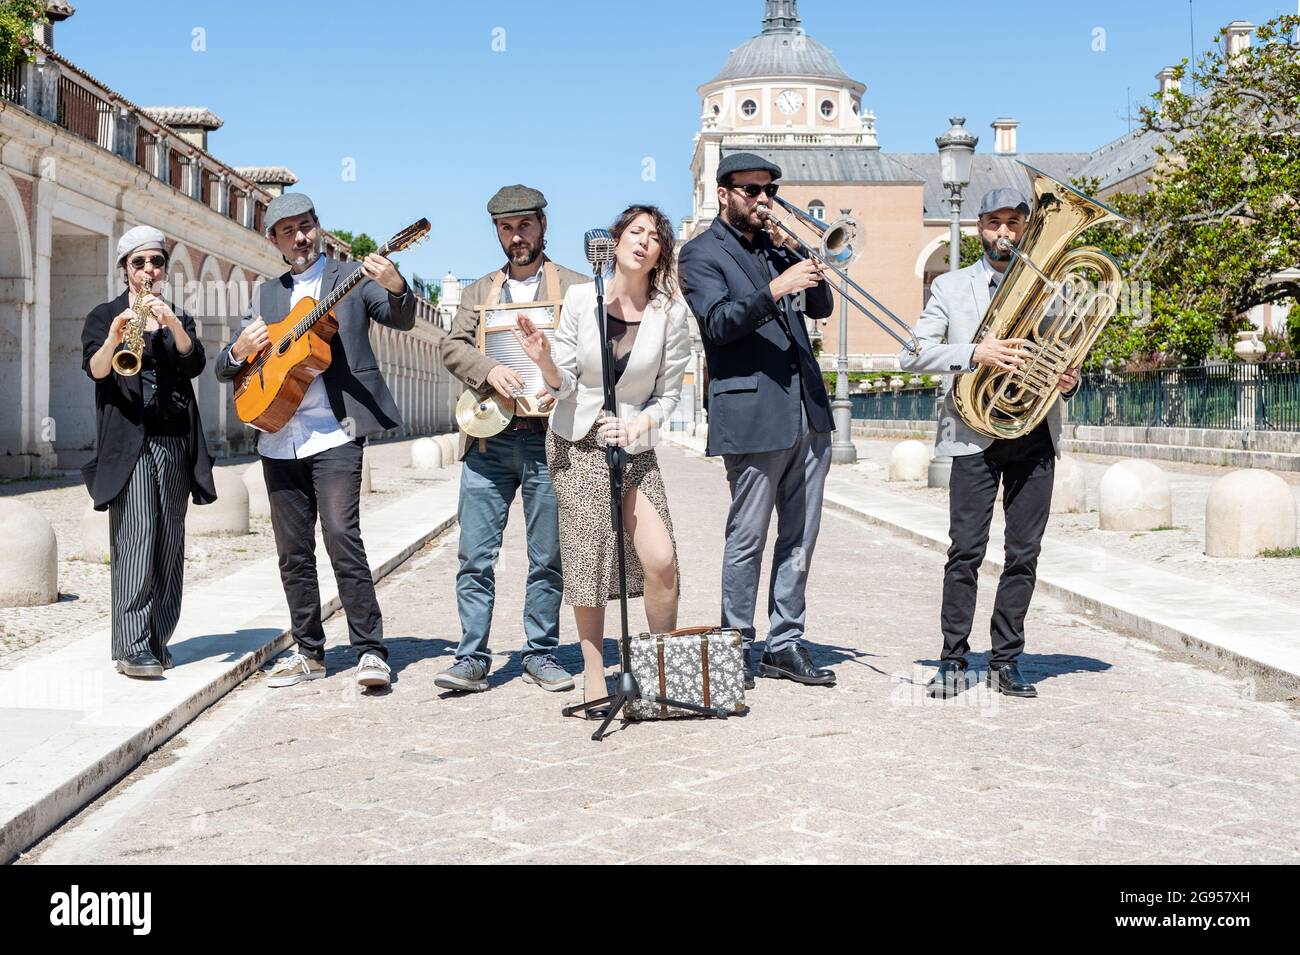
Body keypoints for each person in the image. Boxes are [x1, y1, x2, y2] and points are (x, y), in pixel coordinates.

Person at [214, 193, 415, 689]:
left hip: (337, 432)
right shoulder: (265, 296)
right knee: (292, 551)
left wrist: (395, 284)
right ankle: (309, 651)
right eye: (289, 230)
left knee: (342, 537)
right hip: (278, 436)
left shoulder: (351, 277)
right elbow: (226, 368)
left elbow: (400, 316)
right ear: (275, 240)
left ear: (318, 228)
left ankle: (370, 650)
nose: (300, 236)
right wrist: (238, 352)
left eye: (307, 225)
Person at [898, 186, 1080, 699]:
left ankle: (1006, 661)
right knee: (966, 553)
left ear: (1026, 228)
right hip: (973, 433)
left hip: (1034, 432)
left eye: (1014, 223)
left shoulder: (1052, 288)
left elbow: (1066, 353)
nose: (1005, 232)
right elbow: (913, 353)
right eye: (995, 222)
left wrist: (1070, 378)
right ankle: (953, 659)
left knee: (1024, 554)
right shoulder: (951, 288)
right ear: (980, 227)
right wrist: (978, 351)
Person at [516, 204, 691, 710]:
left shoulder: (670, 312)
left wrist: (637, 425)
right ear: (615, 241)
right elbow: (565, 383)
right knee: (589, 557)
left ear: (661, 253)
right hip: (577, 444)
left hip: (632, 446)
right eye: (635, 232)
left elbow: (670, 395)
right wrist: (545, 360)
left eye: (655, 236)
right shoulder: (579, 298)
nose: (643, 241)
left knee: (661, 561)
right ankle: (596, 672)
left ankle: (660, 669)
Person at [678, 152, 837, 689]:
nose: (764, 200)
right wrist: (774, 288)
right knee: (747, 536)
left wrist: (805, 265)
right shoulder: (700, 254)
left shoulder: (777, 247)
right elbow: (719, 324)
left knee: (801, 536)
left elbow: (821, 310)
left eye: (770, 190)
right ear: (724, 194)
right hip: (751, 415)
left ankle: (785, 643)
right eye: (752, 190)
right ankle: (735, 643)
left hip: (807, 413)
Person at [436, 185, 587, 693]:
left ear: (544, 226)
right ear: (497, 232)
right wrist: (490, 367)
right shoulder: (481, 292)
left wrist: (559, 385)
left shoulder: (579, 289)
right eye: (506, 227)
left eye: (525, 225)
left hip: (551, 441)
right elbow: (452, 346)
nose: (516, 236)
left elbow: (597, 356)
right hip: (488, 442)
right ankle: (472, 657)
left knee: (548, 557)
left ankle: (540, 653)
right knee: (475, 555)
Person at [81, 226, 216, 678]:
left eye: (155, 262)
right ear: (124, 269)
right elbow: (98, 371)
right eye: (138, 263)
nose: (148, 271)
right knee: (136, 537)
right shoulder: (104, 315)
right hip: (130, 441)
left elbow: (194, 363)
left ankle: (159, 638)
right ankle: (131, 645)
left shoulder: (177, 316)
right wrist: (117, 336)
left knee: (169, 542)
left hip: (175, 438)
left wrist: (173, 323)